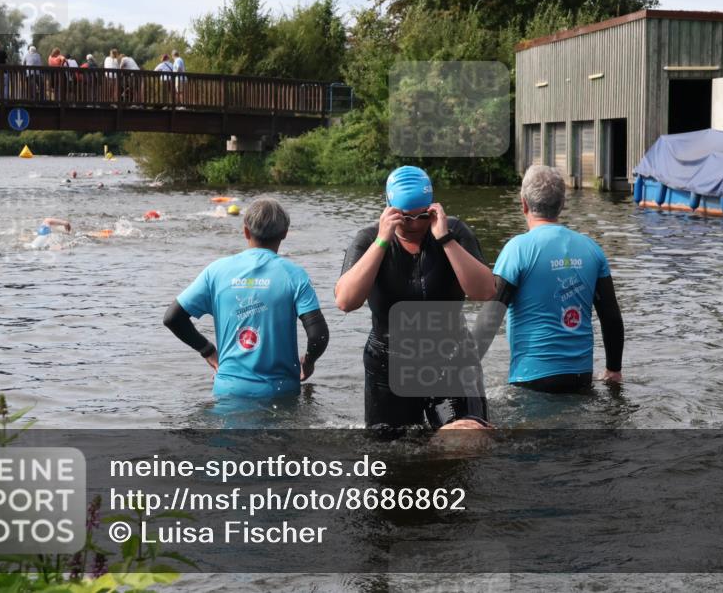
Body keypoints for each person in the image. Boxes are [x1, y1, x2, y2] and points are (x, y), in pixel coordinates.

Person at [335, 166, 496, 430]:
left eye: (422, 215)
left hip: (450, 359)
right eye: (404, 218)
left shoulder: (453, 231)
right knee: (391, 455)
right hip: (389, 363)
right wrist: (382, 241)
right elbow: (345, 301)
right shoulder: (368, 238)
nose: (414, 225)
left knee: (468, 437)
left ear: (433, 208)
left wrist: (445, 239)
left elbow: (485, 291)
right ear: (388, 208)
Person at [474, 165, 625, 393]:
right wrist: (613, 370)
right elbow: (611, 317)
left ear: (523, 203)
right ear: (562, 204)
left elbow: (490, 319)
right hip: (581, 378)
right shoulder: (592, 249)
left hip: (532, 380)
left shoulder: (517, 249)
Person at [164, 197, 329, 399]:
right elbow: (318, 335)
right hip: (280, 392)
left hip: (228, 391)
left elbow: (172, 318)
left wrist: (208, 351)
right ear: (285, 233)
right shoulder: (294, 275)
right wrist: (309, 362)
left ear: (246, 231)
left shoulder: (216, 271)